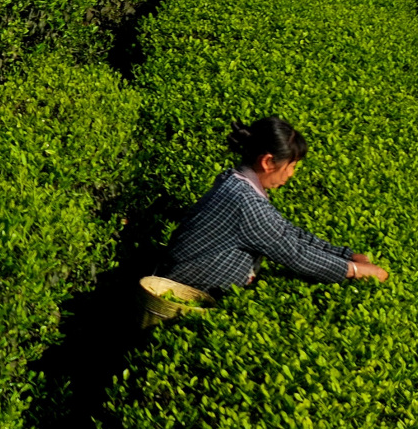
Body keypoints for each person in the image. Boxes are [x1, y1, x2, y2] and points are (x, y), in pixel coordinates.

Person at [148, 117, 390, 302]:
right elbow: (295, 255)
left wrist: (345, 255)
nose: (292, 174)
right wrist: (356, 271)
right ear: (267, 162)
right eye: (291, 165)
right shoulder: (245, 202)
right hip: (182, 296)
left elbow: (285, 231)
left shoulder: (236, 182)